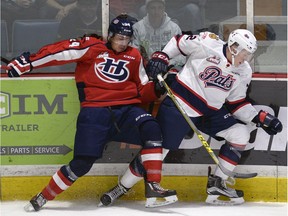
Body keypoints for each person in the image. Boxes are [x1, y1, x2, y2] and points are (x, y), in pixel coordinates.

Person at [6, 14, 177, 211]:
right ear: (110, 36)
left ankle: (153, 185)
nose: (123, 43)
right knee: (81, 164)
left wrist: (158, 87)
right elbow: (61, 52)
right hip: (95, 112)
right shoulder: (92, 47)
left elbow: (142, 90)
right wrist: (30, 62)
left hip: (127, 110)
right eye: (120, 38)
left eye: (127, 39)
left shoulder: (135, 56)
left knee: (151, 128)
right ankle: (44, 195)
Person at [100, 29, 283, 206]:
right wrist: (162, 56)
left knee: (240, 134)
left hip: (210, 112)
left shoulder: (244, 71)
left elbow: (236, 103)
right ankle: (121, 187)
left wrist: (259, 117)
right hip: (180, 105)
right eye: (245, 53)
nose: (246, 59)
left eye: (249, 55)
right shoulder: (208, 43)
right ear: (234, 47)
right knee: (158, 151)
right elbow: (179, 42)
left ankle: (217, 184)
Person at [132, 0, 185, 68]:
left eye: (160, 8)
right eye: (153, 8)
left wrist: (167, 63)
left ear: (164, 9)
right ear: (147, 9)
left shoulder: (174, 28)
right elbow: (133, 53)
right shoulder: (137, 27)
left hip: (168, 67)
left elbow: (182, 55)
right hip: (143, 67)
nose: (156, 12)